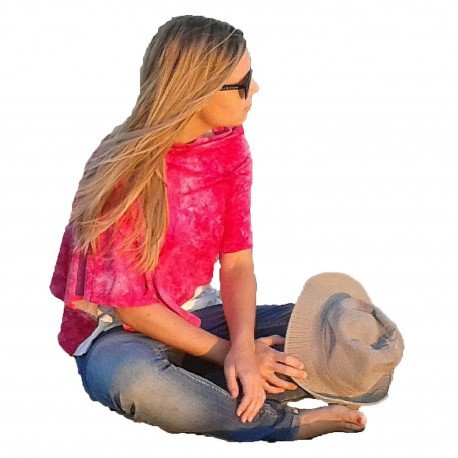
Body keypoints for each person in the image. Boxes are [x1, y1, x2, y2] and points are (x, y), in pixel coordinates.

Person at [49, 15, 367, 442]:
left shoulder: (229, 145)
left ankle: (212, 389)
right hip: (122, 334)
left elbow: (237, 264)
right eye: (243, 83)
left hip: (200, 315)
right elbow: (133, 309)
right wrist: (234, 354)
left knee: (342, 326)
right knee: (134, 382)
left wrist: (244, 348)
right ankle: (284, 422)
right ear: (197, 91)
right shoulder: (122, 171)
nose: (256, 89)